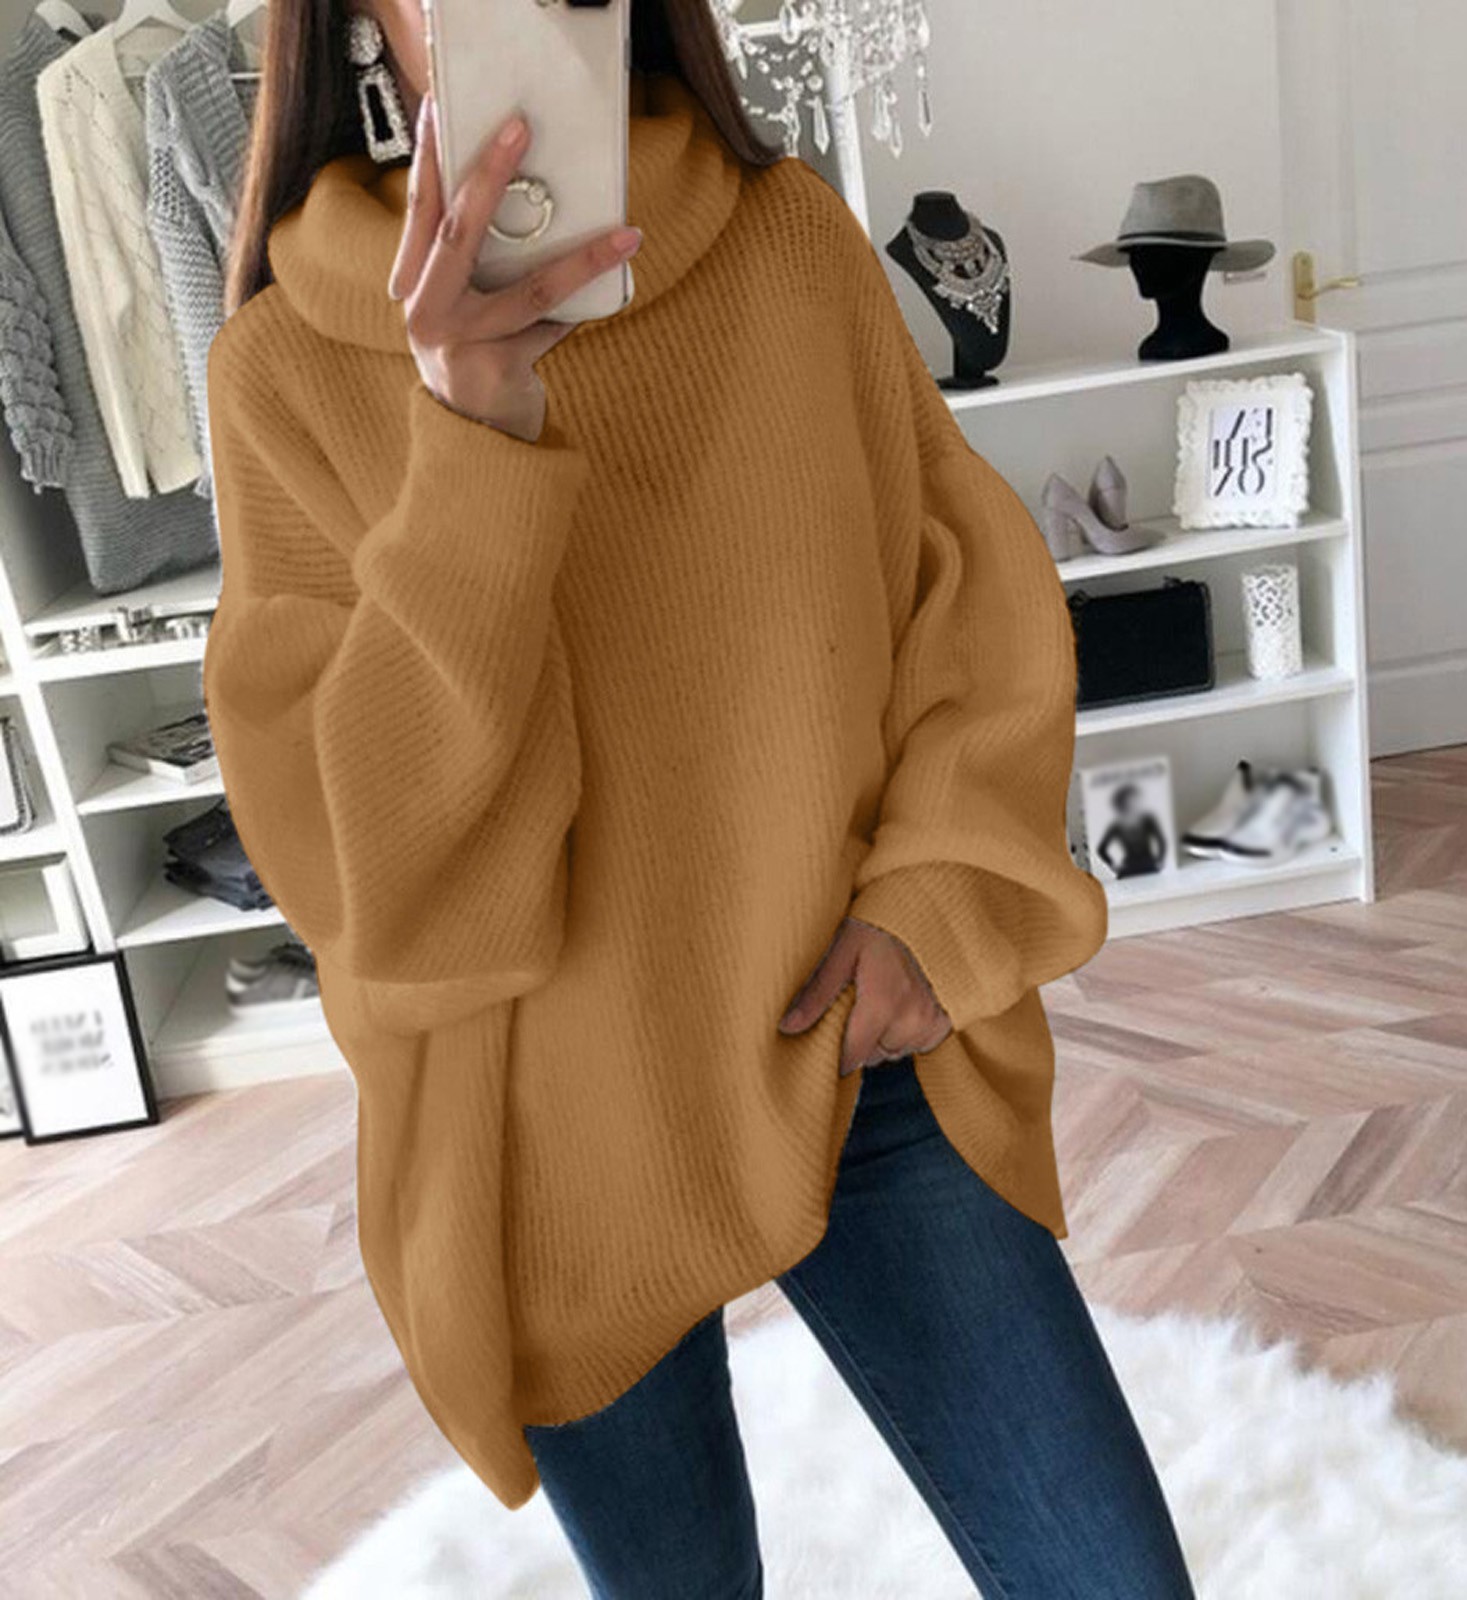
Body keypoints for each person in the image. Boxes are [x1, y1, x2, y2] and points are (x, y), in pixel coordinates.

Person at [204, 1, 1195, 1594]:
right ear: (356, 20)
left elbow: (968, 603)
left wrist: (930, 903)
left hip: (854, 1058)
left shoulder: (787, 246)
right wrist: (468, 437)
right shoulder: (285, 370)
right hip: (552, 1142)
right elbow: (372, 874)